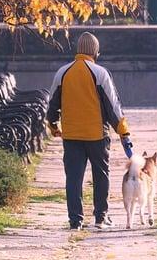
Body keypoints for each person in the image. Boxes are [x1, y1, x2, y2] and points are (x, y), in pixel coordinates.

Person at [45, 32, 132, 230]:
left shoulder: (63, 73)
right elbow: (112, 106)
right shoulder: (100, 73)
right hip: (96, 135)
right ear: (95, 51)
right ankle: (101, 216)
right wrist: (123, 131)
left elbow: (52, 104)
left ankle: (75, 219)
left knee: (74, 178)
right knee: (101, 174)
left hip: (72, 134)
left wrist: (53, 125)